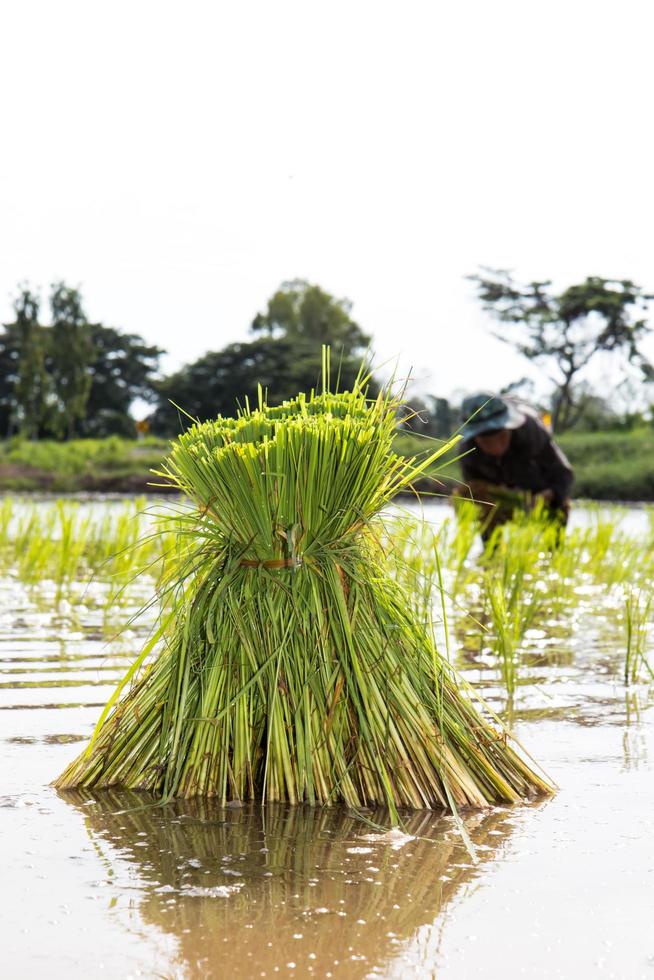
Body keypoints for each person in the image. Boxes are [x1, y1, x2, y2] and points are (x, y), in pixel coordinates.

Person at [456, 392, 573, 540]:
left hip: (536, 491)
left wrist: (548, 495)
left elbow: (564, 474)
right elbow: (473, 489)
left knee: (560, 507)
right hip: (500, 496)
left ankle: (552, 552)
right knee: (469, 496)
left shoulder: (531, 430)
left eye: (501, 437)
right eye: (487, 442)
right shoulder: (467, 449)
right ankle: (491, 554)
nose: (496, 447)